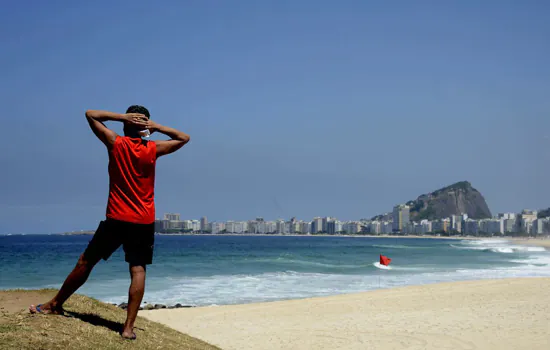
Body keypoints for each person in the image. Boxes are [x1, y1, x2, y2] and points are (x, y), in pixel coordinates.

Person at [29, 105, 190, 340]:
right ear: (145, 128)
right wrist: (154, 127)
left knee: (86, 262)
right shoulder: (153, 149)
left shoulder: (115, 142)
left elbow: (90, 114)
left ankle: (55, 304)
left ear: (125, 125)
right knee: (138, 270)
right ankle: (128, 329)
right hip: (143, 220)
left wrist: (122, 117)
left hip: (116, 218)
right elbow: (184, 137)